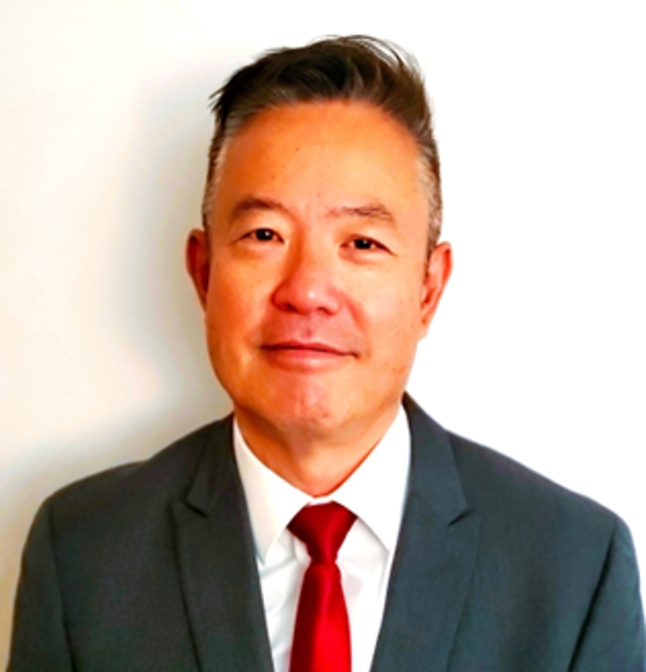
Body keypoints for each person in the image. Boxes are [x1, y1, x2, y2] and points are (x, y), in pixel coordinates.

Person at [8, 36, 645, 672]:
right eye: (265, 234)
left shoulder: (574, 567)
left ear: (428, 289)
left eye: (362, 242)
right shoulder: (84, 553)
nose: (308, 291)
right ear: (203, 273)